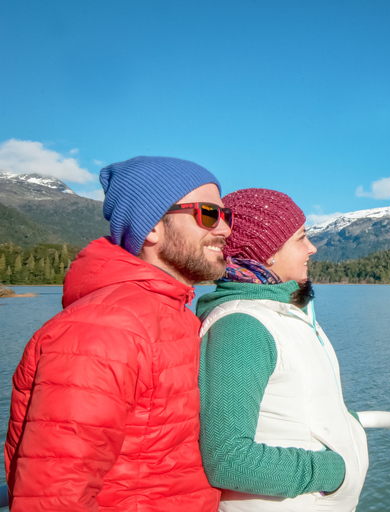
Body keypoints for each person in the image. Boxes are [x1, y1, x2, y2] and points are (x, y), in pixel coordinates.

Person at [4, 156, 232, 512]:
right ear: (153, 226)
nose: (225, 229)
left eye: (226, 215)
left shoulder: (175, 316)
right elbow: (55, 500)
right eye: (208, 214)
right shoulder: (103, 330)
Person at [196, 188, 368, 512]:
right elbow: (227, 459)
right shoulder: (242, 326)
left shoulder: (283, 312)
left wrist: (349, 426)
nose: (312, 248)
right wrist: (332, 471)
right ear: (268, 253)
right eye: (301, 238)